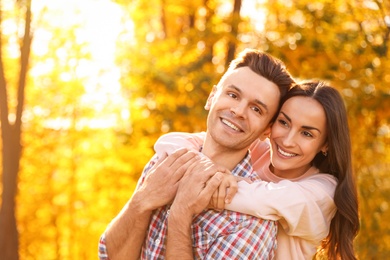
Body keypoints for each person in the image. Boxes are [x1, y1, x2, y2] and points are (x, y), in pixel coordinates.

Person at [98, 48, 296, 259]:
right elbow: (109, 255)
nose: (238, 111)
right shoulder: (166, 162)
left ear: (267, 129)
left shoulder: (250, 225)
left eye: (256, 109)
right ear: (212, 97)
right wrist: (142, 201)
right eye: (233, 95)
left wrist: (180, 215)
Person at [156, 81, 360, 259]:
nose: (288, 141)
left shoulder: (322, 191)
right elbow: (171, 141)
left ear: (326, 145)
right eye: (284, 123)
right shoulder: (258, 151)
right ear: (270, 124)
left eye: (306, 133)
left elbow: (262, 200)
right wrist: (206, 171)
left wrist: (196, 182)